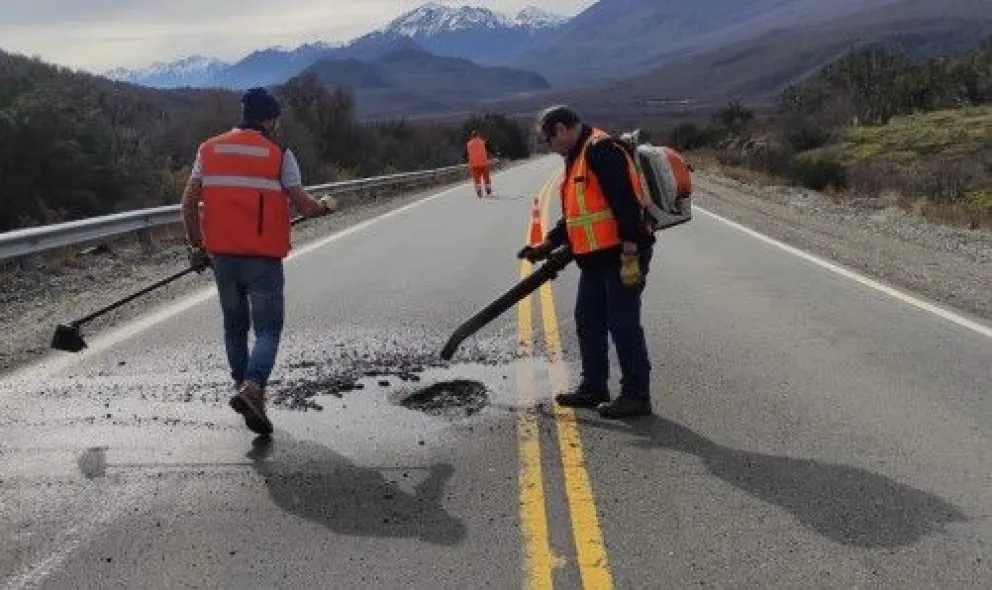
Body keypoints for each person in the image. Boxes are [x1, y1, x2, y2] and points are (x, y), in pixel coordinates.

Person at [180, 87, 330, 435]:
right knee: (268, 330)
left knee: (235, 326)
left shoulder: (208, 149)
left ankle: (244, 389)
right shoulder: (279, 155)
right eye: (276, 118)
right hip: (262, 261)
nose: (277, 124)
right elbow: (304, 206)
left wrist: (197, 247)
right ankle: (254, 387)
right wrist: (323, 206)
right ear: (268, 119)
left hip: (224, 260)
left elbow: (188, 204)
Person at [519, 105, 656, 419]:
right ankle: (593, 388)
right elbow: (579, 216)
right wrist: (548, 244)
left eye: (548, 139)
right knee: (589, 321)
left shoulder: (600, 151)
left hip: (621, 255)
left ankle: (637, 395)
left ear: (562, 129)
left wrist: (631, 252)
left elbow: (626, 203)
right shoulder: (577, 157)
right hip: (595, 260)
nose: (549, 147)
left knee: (623, 325)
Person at [466, 130, 492, 198]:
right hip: (483, 163)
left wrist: (465, 159)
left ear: (472, 136)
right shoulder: (483, 142)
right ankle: (488, 189)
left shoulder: (469, 144)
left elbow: (465, 154)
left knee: (477, 179)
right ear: (478, 135)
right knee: (486, 177)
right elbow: (489, 149)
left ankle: (479, 192)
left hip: (474, 165)